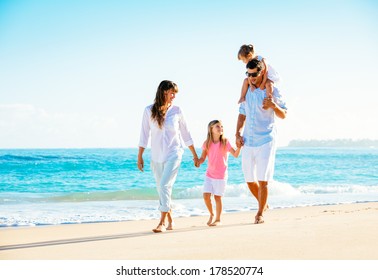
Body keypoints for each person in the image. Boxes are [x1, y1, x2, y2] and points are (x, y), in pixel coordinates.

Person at [137, 80, 199, 233]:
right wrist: (140, 156)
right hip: (157, 156)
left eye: (175, 94)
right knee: (162, 188)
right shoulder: (148, 110)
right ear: (163, 92)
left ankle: (161, 222)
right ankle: (171, 220)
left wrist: (194, 155)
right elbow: (144, 134)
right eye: (172, 93)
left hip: (174, 153)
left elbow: (186, 133)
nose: (173, 96)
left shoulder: (177, 110)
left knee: (164, 185)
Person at [235, 58, 287, 224]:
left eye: (254, 74)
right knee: (250, 180)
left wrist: (273, 105)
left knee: (263, 180)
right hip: (248, 141)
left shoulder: (271, 90)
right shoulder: (247, 92)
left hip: (266, 139)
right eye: (248, 75)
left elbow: (283, 114)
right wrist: (237, 133)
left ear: (261, 72)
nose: (251, 78)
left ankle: (260, 214)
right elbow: (242, 113)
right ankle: (263, 203)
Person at [197, 120, 241, 226]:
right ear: (211, 129)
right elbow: (203, 157)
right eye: (217, 126)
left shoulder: (225, 142)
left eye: (222, 126)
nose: (220, 128)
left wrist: (240, 147)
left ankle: (218, 219)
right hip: (209, 175)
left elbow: (235, 154)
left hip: (221, 176)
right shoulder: (207, 143)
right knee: (206, 196)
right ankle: (212, 214)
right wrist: (199, 161)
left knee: (217, 197)